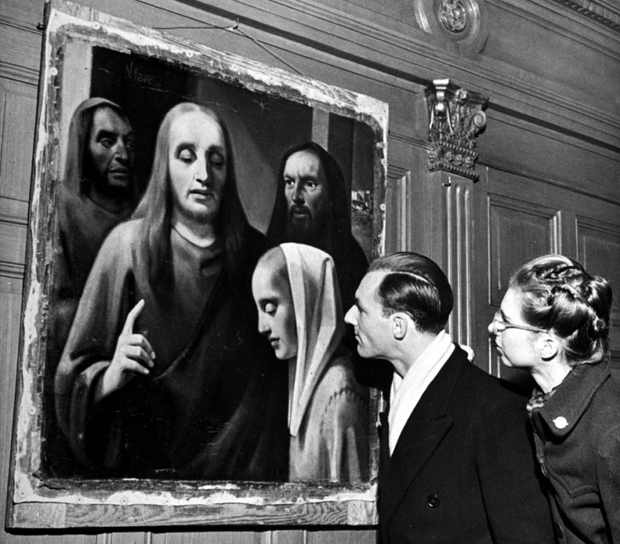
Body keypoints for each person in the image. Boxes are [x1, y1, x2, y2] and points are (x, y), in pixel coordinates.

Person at [54, 102, 288, 480]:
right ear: (165, 165)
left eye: (216, 160)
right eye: (187, 157)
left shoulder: (258, 257)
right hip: (145, 476)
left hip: (237, 476)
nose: (203, 174)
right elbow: (71, 377)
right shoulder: (125, 248)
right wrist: (111, 374)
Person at [344, 252, 554, 544]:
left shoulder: (498, 410)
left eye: (361, 309)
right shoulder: (400, 393)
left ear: (398, 326)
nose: (349, 317)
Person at [489, 254, 620, 543]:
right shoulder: (545, 403)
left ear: (547, 346)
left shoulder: (611, 429)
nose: (492, 328)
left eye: (505, 321)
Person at [252, 243, 369, 483]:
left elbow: (353, 498)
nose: (261, 327)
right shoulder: (306, 382)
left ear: (305, 302)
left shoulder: (340, 393)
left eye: (271, 308)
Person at [50, 97, 139, 366]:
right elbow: (56, 311)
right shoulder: (60, 209)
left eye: (128, 143)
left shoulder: (141, 216)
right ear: (82, 147)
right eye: (107, 142)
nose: (123, 155)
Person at [266, 142, 368, 314]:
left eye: (310, 184)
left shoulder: (353, 261)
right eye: (289, 182)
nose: (296, 196)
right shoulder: (266, 253)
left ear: (330, 192)